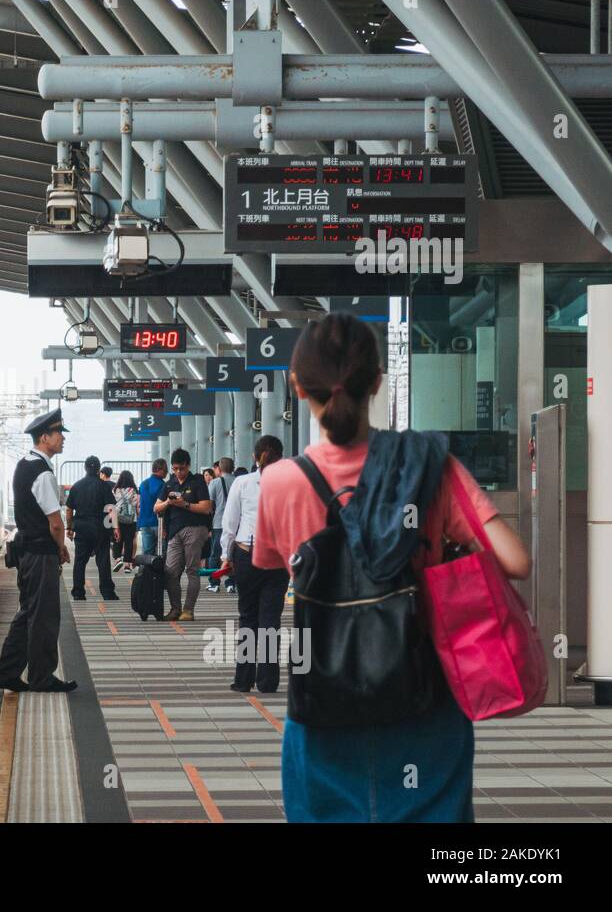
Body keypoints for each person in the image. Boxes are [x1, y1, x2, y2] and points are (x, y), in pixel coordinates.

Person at [253, 313, 530, 822]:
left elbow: (269, 561)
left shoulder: (278, 481)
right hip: (423, 698)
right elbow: (515, 560)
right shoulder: (427, 463)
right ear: (377, 381)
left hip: (322, 703)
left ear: (296, 386)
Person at [0, 408, 77, 693]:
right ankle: (41, 677)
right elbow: (55, 522)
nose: (62, 440)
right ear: (44, 437)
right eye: (58, 434)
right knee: (43, 617)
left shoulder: (23, 465)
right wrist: (61, 548)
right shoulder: (42, 473)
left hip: (28, 552)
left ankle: (6, 672)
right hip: (40, 556)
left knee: (28, 613)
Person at [219, 438, 287, 693]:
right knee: (271, 620)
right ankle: (268, 681)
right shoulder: (290, 485)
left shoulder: (243, 482)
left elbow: (230, 521)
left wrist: (226, 555)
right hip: (278, 559)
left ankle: (244, 680)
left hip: (247, 554)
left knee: (248, 618)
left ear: (254, 456)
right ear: (281, 457)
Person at [154, 448, 211, 622]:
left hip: (195, 529)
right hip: (174, 532)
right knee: (170, 571)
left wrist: (184, 504)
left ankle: (188, 610)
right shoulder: (169, 484)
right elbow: (156, 507)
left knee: (192, 570)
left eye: (182, 469)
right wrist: (168, 502)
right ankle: (175, 608)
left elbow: (206, 507)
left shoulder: (198, 481)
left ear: (188, 466)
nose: (179, 472)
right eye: (176, 468)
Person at [66, 456, 117, 601]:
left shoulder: (76, 486)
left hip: (82, 528)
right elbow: (111, 508)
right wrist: (115, 528)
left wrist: (69, 527)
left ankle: (78, 592)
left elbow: (69, 509)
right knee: (103, 560)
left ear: (85, 468)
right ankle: (107, 592)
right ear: (98, 468)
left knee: (80, 561)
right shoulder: (104, 486)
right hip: (101, 528)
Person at [207, 458, 235, 592]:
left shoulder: (215, 483)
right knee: (233, 554)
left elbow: (209, 506)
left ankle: (214, 583)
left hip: (219, 523)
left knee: (215, 554)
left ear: (219, 468)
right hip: (236, 524)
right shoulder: (238, 481)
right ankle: (231, 583)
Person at [137, 458, 166, 556]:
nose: (167, 472)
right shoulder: (163, 485)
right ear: (160, 469)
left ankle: (146, 571)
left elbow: (140, 503)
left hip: (145, 522)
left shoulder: (143, 484)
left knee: (147, 553)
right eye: (165, 469)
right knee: (160, 552)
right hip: (159, 523)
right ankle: (158, 571)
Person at [112, 470, 139, 574]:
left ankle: (118, 559)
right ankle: (127, 565)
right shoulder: (134, 491)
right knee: (129, 542)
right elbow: (136, 505)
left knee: (117, 539)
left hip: (118, 519)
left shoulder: (115, 490)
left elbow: (112, 505)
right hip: (131, 519)